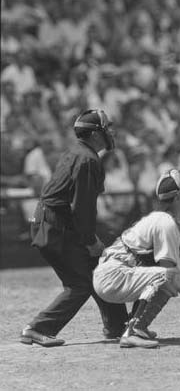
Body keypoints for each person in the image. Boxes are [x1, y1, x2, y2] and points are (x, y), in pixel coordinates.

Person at [21, 109, 130, 347]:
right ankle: (37, 328)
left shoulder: (78, 152)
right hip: (57, 229)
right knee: (80, 285)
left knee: (99, 270)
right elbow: (82, 207)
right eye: (106, 128)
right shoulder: (88, 159)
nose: (110, 132)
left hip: (57, 225)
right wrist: (90, 240)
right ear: (94, 134)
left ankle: (119, 326)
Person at [93, 169, 180, 348]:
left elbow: (169, 273)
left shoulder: (160, 219)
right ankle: (133, 330)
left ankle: (136, 327)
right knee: (169, 277)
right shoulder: (165, 223)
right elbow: (171, 276)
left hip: (113, 274)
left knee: (167, 276)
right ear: (177, 198)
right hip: (114, 276)